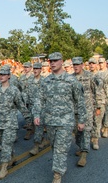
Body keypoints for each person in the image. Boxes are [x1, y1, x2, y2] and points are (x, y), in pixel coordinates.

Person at [33, 52, 86, 183]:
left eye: (56, 60)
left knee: (61, 148)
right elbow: (39, 99)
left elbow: (80, 101)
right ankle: (60, 166)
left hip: (66, 121)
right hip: (50, 121)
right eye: (51, 61)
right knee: (54, 146)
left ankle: (57, 175)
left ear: (62, 61)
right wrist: (36, 114)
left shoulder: (71, 80)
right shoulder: (46, 81)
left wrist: (81, 120)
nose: (53, 63)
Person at [0, 66, 31, 179]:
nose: (1, 76)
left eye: (3, 74)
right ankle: (12, 157)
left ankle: (4, 168)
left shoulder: (14, 90)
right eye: (0, 75)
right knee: (4, 142)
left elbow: (21, 106)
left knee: (5, 145)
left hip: (10, 123)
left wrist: (28, 119)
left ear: (8, 76)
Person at [71, 57, 101, 166]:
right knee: (77, 132)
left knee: (86, 130)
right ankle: (80, 146)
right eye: (74, 65)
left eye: (78, 64)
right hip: (75, 110)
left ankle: (84, 154)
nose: (75, 66)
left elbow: (96, 91)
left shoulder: (90, 76)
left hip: (87, 109)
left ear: (82, 65)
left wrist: (97, 107)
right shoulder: (71, 78)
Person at [28, 63, 49, 156]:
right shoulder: (30, 80)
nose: (35, 70)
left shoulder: (45, 80)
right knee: (36, 126)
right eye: (34, 68)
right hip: (32, 107)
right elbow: (27, 92)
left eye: (37, 68)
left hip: (43, 107)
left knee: (39, 126)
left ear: (41, 69)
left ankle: (36, 146)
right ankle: (44, 139)